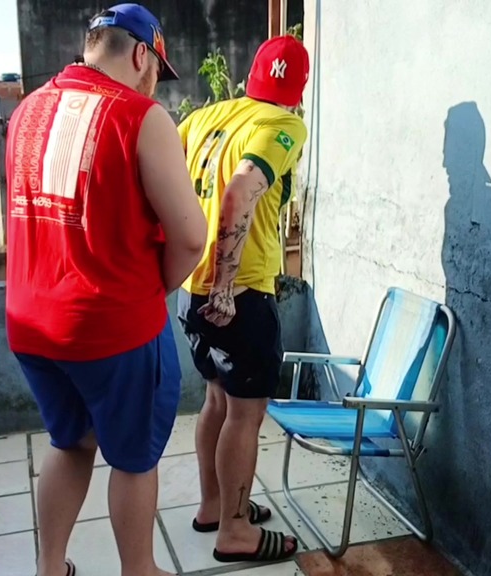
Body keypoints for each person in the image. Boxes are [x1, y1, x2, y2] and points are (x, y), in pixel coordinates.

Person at [4, 4, 207, 576]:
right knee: (134, 459)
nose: (154, 83)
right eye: (156, 70)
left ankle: (50, 567)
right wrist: (155, 290)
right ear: (141, 54)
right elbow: (192, 237)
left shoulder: (26, 111)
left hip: (31, 323)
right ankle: (139, 570)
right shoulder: (141, 117)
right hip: (113, 326)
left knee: (70, 442)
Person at [175, 34, 310, 564]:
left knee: (216, 401)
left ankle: (214, 505)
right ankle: (235, 530)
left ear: (252, 75)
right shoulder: (282, 125)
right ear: (298, 91)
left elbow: (160, 188)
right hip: (240, 293)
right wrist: (226, 285)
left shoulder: (204, 119)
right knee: (245, 415)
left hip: (191, 291)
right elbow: (239, 191)